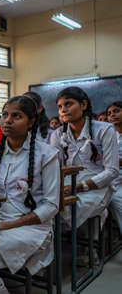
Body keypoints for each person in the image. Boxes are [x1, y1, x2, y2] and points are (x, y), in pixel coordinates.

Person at [0, 96, 60, 294]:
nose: (7, 121)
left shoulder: (47, 154)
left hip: (32, 227)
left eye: (16, 116)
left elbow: (51, 206)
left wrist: (4, 225)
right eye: (6, 115)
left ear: (31, 122)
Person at [50, 87, 118, 229]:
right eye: (60, 106)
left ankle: (80, 245)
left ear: (83, 105)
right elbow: (55, 168)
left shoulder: (104, 130)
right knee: (48, 205)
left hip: (98, 186)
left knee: (68, 208)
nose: (63, 110)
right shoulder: (57, 135)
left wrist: (80, 187)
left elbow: (112, 170)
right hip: (67, 185)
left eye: (68, 104)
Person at [107, 101, 122, 234]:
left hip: (119, 181)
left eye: (116, 111)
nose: (112, 115)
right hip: (111, 177)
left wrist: (112, 160)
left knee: (117, 200)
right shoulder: (110, 134)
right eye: (109, 113)